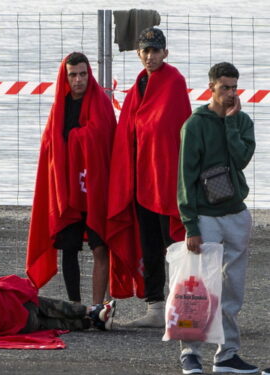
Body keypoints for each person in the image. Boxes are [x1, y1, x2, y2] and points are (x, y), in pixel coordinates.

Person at [106, 27, 192, 327]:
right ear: (138, 54)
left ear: (165, 53)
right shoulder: (138, 86)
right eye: (146, 51)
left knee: (176, 245)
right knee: (150, 245)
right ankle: (156, 308)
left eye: (156, 51)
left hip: (167, 181)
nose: (151, 56)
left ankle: (183, 305)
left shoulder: (175, 83)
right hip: (141, 182)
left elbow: (177, 134)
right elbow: (128, 134)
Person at [177, 62, 257, 375]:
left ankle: (227, 356)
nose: (230, 93)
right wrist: (190, 225)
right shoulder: (195, 124)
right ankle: (190, 353)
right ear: (211, 87)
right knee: (198, 286)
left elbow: (241, 159)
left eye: (234, 87)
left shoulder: (242, 120)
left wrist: (231, 123)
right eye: (224, 87)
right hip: (205, 215)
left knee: (233, 288)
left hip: (235, 212)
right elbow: (185, 177)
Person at [26, 52, 116, 305]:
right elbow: (49, 147)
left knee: (100, 246)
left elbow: (104, 139)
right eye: (73, 75)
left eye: (83, 74)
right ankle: (76, 306)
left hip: (96, 187)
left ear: (90, 74)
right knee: (69, 248)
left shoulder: (101, 103)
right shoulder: (60, 107)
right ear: (65, 77)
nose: (79, 80)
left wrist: (75, 138)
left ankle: (98, 305)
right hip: (67, 190)